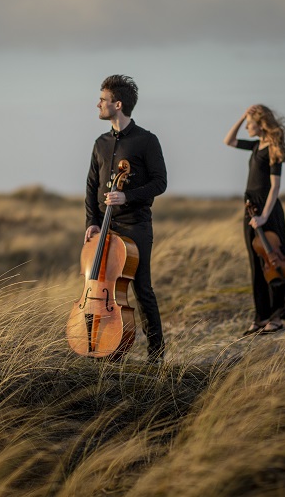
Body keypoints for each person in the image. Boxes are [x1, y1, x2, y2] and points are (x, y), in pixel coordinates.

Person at [85, 75, 168, 362]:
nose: (98, 104)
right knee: (103, 287)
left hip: (136, 225)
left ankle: (156, 354)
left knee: (142, 289)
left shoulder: (147, 140)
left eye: (103, 100)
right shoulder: (101, 143)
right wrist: (92, 222)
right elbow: (91, 186)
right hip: (106, 227)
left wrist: (127, 196)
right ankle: (106, 348)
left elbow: (160, 183)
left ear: (117, 105)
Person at [224, 105, 285, 335]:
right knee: (257, 264)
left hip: (268, 211)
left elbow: (275, 187)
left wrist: (264, 215)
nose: (246, 127)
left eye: (249, 123)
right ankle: (261, 316)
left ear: (260, 122)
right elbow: (229, 140)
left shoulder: (274, 147)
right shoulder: (256, 145)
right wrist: (242, 115)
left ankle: (277, 316)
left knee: (275, 262)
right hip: (251, 209)